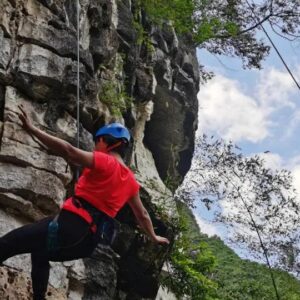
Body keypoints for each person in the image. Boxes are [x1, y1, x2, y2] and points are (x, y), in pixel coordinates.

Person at [0, 105, 169, 300]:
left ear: (107, 142)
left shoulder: (105, 161)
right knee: (40, 253)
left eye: (97, 142)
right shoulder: (131, 182)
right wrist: (154, 237)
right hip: (87, 242)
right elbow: (143, 215)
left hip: (70, 226)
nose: (95, 147)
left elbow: (69, 150)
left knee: (7, 243)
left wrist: (32, 129)